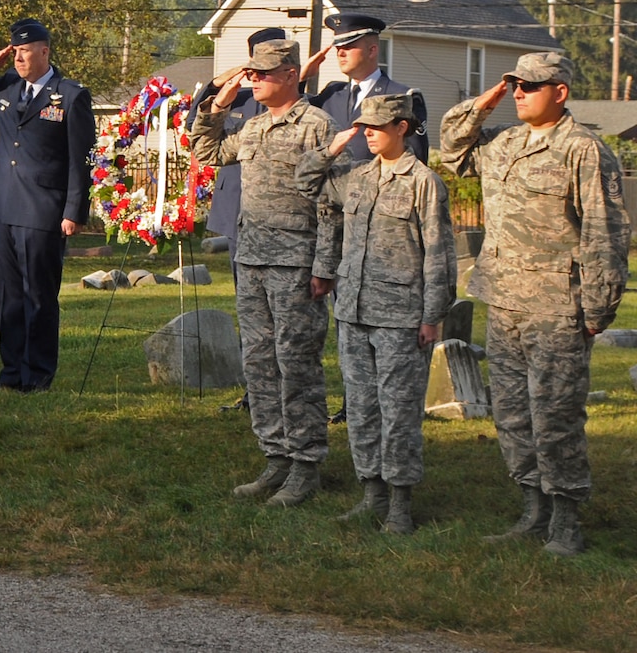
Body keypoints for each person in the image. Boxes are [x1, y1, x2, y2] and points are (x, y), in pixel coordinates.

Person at [439, 52, 630, 557]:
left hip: (556, 307)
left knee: (555, 414)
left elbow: (605, 232)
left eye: (530, 85)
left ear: (560, 91)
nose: (519, 92)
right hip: (503, 301)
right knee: (511, 413)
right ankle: (533, 507)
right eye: (514, 85)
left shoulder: (584, 150)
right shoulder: (504, 143)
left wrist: (597, 308)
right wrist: (487, 100)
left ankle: (566, 519)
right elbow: (452, 147)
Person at [295, 93, 453, 534]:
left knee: (398, 411)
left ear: (402, 128)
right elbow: (305, 181)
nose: (368, 133)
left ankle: (400, 503)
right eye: (364, 126)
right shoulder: (356, 178)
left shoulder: (424, 183)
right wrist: (331, 148)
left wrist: (432, 316)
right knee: (362, 408)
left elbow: (439, 255)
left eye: (376, 127)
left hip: (401, 316)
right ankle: (372, 493)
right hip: (354, 311)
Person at [189, 38, 336, 508]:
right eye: (250, 74)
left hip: (297, 263)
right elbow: (209, 154)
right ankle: (275, 456)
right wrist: (214, 108)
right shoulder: (252, 127)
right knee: (259, 362)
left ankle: (306, 463)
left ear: (292, 74)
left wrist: (325, 266)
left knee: (296, 362)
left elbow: (333, 202)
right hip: (252, 259)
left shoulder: (317, 125)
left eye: (262, 74)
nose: (253, 80)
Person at [0, 20, 93, 393]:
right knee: (10, 297)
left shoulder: (69, 95)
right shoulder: (8, 85)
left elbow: (80, 158)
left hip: (43, 207)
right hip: (4, 203)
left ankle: (38, 375)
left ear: (45, 51)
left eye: (24, 51)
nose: (18, 57)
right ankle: (11, 373)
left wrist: (73, 211)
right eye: (14, 51)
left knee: (39, 296)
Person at [185, 26, 290, 249]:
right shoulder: (236, 97)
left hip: (279, 206)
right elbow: (194, 125)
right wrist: (216, 86)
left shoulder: (296, 100)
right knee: (240, 277)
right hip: (236, 200)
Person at [302, 13, 429, 166]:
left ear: (372, 51)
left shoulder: (402, 96)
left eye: (348, 47)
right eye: (338, 48)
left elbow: (417, 159)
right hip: (331, 187)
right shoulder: (331, 93)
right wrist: (301, 79)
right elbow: (292, 113)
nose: (341, 53)